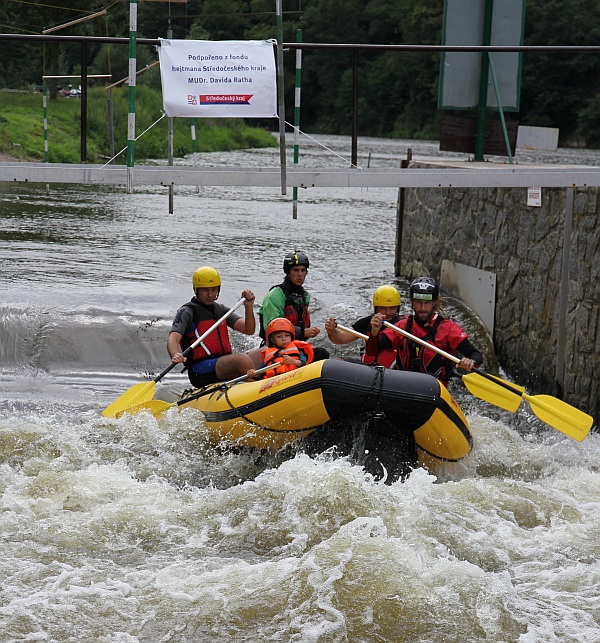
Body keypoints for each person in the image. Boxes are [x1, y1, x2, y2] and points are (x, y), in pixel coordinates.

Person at [366, 276, 483, 385]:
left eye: (427, 303)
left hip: (434, 391)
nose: (423, 308)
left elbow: (476, 355)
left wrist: (470, 361)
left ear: (434, 303)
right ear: (412, 302)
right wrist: (374, 333)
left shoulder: (448, 329)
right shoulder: (402, 327)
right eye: (418, 303)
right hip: (403, 386)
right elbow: (372, 351)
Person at [167, 266, 259, 387]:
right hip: (200, 370)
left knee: (265, 352)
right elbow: (173, 338)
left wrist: (248, 307)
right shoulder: (187, 312)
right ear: (196, 290)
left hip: (223, 362)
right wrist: (175, 354)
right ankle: (259, 388)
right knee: (241, 360)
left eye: (213, 290)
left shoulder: (221, 310)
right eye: (205, 290)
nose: (210, 295)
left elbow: (249, 330)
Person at [258, 251, 329, 360]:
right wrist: (303, 332)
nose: (300, 274)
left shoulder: (305, 296)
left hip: (295, 348)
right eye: (296, 270)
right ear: (288, 272)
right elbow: (271, 328)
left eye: (303, 270)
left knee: (323, 354)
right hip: (274, 349)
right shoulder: (275, 295)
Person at [325, 284, 403, 368]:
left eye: (392, 308)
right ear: (376, 308)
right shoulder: (368, 322)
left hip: (392, 373)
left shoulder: (403, 325)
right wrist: (332, 331)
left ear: (397, 308)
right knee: (338, 363)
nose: (388, 312)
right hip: (367, 369)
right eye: (383, 308)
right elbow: (340, 338)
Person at [247, 318, 314, 379]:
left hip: (296, 376)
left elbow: (303, 363)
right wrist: (253, 373)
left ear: (291, 336)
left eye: (287, 335)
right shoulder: (269, 354)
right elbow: (259, 372)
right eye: (279, 336)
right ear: (273, 340)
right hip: (276, 382)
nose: (284, 339)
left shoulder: (297, 349)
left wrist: (294, 362)